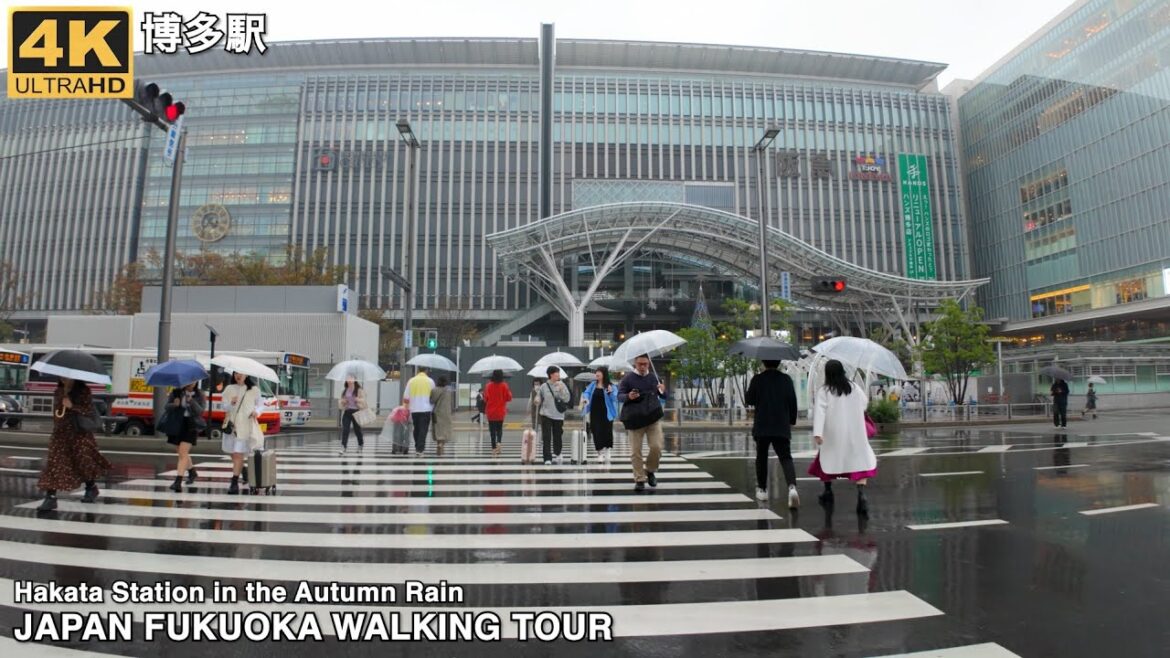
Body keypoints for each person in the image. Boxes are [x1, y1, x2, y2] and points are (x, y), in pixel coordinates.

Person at [809, 360, 876, 517]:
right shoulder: (853, 387)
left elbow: (820, 413)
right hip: (854, 432)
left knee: (827, 461)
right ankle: (861, 495)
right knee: (859, 463)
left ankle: (828, 491)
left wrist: (818, 433)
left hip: (833, 434)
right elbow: (865, 404)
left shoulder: (824, 391)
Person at [35, 378, 112, 511]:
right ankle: (50, 497)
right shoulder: (58, 391)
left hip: (79, 434)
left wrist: (72, 406)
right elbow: (56, 412)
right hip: (60, 434)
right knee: (54, 465)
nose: (63, 379)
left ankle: (91, 487)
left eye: (66, 377)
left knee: (82, 462)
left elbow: (88, 412)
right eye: (61, 376)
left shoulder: (84, 391)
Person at [745, 359, 800, 508]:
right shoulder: (786, 379)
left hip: (762, 424)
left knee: (761, 457)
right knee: (786, 457)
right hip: (781, 424)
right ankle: (792, 487)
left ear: (764, 363)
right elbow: (792, 401)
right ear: (779, 363)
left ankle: (762, 490)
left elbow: (749, 399)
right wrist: (792, 421)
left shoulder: (757, 379)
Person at [618, 354, 668, 492]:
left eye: (645, 364)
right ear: (635, 363)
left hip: (653, 417)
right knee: (635, 451)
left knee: (657, 446)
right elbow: (620, 396)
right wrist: (629, 396)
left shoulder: (653, 377)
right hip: (634, 419)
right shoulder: (627, 378)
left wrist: (663, 391)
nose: (642, 366)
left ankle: (650, 470)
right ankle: (639, 479)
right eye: (640, 364)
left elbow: (663, 395)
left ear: (649, 364)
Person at [222, 371, 262, 494]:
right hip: (232, 426)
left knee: (238, 454)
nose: (238, 376)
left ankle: (234, 483)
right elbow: (224, 407)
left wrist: (257, 412)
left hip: (246, 426)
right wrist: (231, 404)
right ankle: (243, 469)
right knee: (233, 454)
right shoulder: (229, 389)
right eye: (236, 373)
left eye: (241, 373)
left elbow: (261, 404)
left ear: (247, 375)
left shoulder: (254, 390)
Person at [166, 382, 205, 492]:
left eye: (194, 380)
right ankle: (192, 472)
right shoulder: (176, 392)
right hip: (178, 424)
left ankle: (178, 481)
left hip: (191, 425)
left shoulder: (199, 394)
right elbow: (166, 407)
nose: (191, 383)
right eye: (189, 380)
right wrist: (174, 404)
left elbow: (201, 411)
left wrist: (191, 401)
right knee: (180, 451)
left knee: (183, 452)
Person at [582, 366, 619, 463]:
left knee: (607, 432)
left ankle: (607, 450)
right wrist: (586, 398)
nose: (597, 374)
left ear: (604, 374)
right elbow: (586, 392)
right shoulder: (593, 385)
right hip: (595, 413)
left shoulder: (610, 386)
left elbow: (615, 398)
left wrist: (611, 392)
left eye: (599, 372)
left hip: (607, 413)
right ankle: (599, 453)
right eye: (596, 372)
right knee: (596, 431)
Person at [537, 366, 571, 465]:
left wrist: (561, 390)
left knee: (558, 435)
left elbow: (567, 399)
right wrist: (537, 399)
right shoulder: (544, 386)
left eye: (559, 373)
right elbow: (539, 396)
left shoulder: (562, 385)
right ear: (551, 374)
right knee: (546, 436)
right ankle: (547, 458)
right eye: (557, 373)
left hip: (558, 415)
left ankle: (558, 453)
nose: (558, 375)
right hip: (546, 414)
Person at [403, 367, 436, 456]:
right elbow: (434, 395)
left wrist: (406, 408)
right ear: (426, 370)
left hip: (414, 409)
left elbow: (406, 396)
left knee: (416, 428)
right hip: (426, 409)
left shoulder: (411, 381)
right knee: (423, 429)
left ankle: (418, 445)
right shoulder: (430, 381)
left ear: (418, 371)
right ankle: (420, 449)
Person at [483, 370, 513, 457]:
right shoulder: (504, 385)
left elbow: (485, 399)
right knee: (499, 429)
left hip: (491, 412)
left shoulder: (488, 385)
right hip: (500, 411)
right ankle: (499, 442)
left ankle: (493, 448)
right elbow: (509, 398)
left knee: (492, 431)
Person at [337, 377, 367, 455]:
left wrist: (358, 400)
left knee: (357, 430)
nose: (349, 380)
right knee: (345, 430)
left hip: (356, 412)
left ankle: (360, 444)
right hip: (347, 411)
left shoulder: (359, 390)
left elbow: (364, 400)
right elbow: (341, 401)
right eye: (348, 378)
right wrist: (343, 401)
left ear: (354, 380)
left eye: (351, 378)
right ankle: (343, 447)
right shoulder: (345, 390)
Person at [429, 375, 454, 456]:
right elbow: (451, 403)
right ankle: (442, 445)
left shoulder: (434, 390)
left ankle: (438, 444)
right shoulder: (448, 391)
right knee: (445, 430)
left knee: (438, 430)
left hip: (437, 413)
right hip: (446, 413)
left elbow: (432, 401)